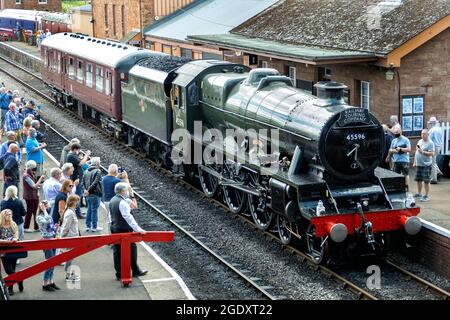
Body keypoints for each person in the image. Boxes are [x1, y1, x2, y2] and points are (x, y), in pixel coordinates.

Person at [110, 182, 147, 280]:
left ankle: (119, 273)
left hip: (115, 228)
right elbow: (128, 217)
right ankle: (135, 270)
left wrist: (111, 227)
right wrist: (138, 229)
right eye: (126, 190)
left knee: (117, 251)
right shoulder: (122, 202)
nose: (127, 192)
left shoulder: (112, 200)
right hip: (124, 229)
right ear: (122, 191)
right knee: (132, 249)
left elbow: (110, 216)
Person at [36, 201, 60, 292]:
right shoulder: (39, 217)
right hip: (46, 240)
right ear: (43, 207)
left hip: (52, 238)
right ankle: (45, 283)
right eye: (48, 206)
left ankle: (51, 281)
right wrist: (45, 211)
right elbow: (46, 221)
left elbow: (50, 227)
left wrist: (55, 228)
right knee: (49, 262)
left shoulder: (48, 215)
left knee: (53, 262)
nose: (49, 208)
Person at [0, 209, 22, 295]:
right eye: (7, 215)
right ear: (3, 216)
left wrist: (15, 238)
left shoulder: (13, 224)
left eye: (10, 214)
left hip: (13, 250)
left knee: (12, 269)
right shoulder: (0, 225)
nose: (9, 216)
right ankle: (20, 279)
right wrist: (8, 242)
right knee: (9, 270)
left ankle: (10, 288)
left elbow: (16, 235)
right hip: (3, 251)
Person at [102, 164, 129, 231]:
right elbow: (128, 187)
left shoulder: (103, 178)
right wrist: (126, 178)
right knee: (114, 219)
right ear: (116, 171)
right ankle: (113, 232)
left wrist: (116, 176)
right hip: (115, 202)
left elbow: (111, 180)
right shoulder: (118, 181)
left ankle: (109, 232)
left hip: (105, 201)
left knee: (109, 217)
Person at [60, 194, 80, 282]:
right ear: (73, 202)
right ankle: (68, 274)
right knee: (70, 256)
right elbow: (66, 227)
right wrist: (62, 238)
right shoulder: (70, 213)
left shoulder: (70, 211)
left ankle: (68, 273)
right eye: (77, 201)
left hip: (72, 236)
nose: (78, 203)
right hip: (70, 237)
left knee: (70, 256)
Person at [67, 143, 90, 218]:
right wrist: (87, 155)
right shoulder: (71, 156)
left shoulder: (73, 155)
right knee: (77, 196)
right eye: (78, 149)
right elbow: (80, 163)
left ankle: (78, 211)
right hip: (76, 179)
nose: (79, 151)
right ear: (74, 149)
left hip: (77, 178)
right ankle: (78, 213)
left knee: (78, 195)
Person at [23, 160, 45, 232]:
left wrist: (40, 182)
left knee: (36, 211)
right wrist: (41, 179)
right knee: (29, 212)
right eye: (34, 168)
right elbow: (34, 186)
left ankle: (37, 227)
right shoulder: (26, 176)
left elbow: (35, 185)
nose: (35, 170)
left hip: (34, 195)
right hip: (30, 196)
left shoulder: (29, 174)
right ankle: (26, 227)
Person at [413, 129, 435, 202]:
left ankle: (426, 195)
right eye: (422, 134)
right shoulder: (420, 141)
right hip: (419, 164)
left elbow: (432, 153)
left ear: (428, 134)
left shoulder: (430, 143)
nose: (422, 135)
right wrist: (414, 162)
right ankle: (419, 193)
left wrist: (423, 152)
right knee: (418, 180)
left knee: (426, 181)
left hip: (426, 165)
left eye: (424, 134)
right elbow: (417, 150)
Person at [82, 157, 103, 232]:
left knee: (89, 209)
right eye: (99, 162)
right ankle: (94, 226)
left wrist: (85, 190)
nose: (100, 163)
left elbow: (83, 182)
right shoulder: (98, 171)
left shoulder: (86, 171)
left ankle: (88, 226)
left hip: (88, 194)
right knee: (94, 210)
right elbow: (95, 182)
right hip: (95, 193)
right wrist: (88, 190)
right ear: (97, 163)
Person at [428, 117, 444, 183]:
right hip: (439, 146)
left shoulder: (432, 130)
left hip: (434, 147)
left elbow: (429, 139)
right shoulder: (439, 129)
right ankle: (438, 171)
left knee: (432, 162)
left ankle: (434, 179)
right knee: (433, 161)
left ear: (431, 123)